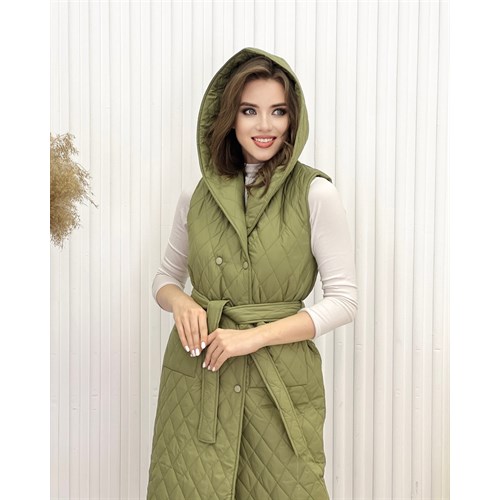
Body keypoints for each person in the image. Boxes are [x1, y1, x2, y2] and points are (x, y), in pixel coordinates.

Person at [146, 47, 357, 500]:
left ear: (293, 119)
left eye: (278, 111)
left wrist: (252, 337)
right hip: (199, 376)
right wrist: (180, 302)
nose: (265, 125)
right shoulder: (195, 194)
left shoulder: (315, 193)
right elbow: (164, 278)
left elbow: (344, 301)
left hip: (279, 380)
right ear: (229, 117)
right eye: (249, 111)